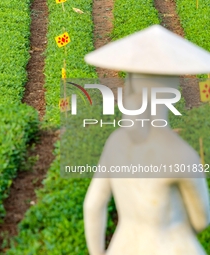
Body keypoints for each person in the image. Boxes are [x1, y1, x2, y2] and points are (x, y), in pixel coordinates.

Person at [83, 25, 210, 255]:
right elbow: (201, 221)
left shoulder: (116, 142)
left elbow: (92, 206)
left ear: (130, 85)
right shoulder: (180, 155)